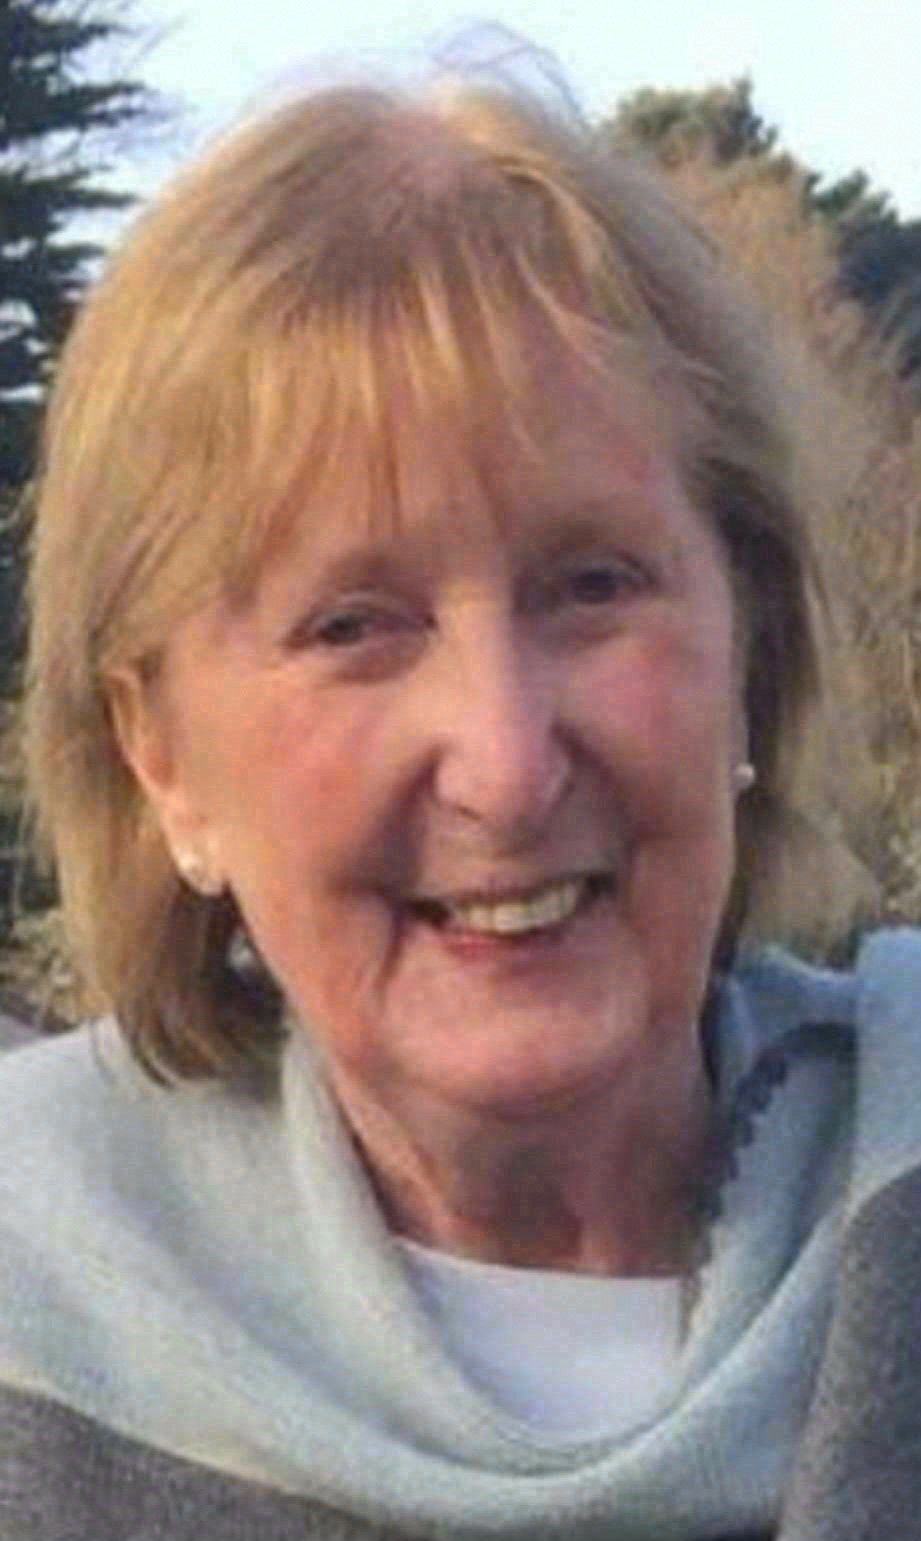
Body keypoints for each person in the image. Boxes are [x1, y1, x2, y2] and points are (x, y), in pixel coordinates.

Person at [1, 54, 920, 1541]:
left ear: (748, 649)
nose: (504, 762)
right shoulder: (32, 1307)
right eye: (354, 626)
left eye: (593, 585)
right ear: (162, 759)